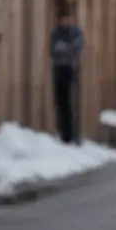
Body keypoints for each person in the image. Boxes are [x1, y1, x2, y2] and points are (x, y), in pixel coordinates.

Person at [49, 9, 84, 144]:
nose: (63, 22)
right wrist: (66, 48)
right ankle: (62, 132)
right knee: (60, 101)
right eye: (61, 19)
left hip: (70, 68)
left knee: (70, 100)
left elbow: (76, 46)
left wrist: (64, 48)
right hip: (59, 68)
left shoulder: (74, 32)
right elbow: (54, 48)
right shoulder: (56, 33)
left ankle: (71, 134)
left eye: (66, 18)